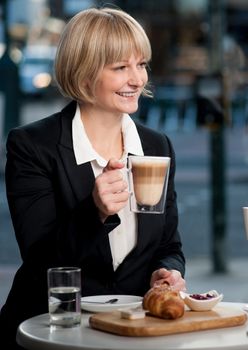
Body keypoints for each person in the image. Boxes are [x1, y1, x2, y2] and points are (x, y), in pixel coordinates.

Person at [0, 7, 186, 348]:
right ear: (84, 75)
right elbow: (41, 260)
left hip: (132, 333)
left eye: (141, 64)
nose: (138, 79)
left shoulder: (156, 146)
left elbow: (168, 245)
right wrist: (95, 211)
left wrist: (168, 272)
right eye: (120, 68)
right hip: (51, 332)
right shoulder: (33, 146)